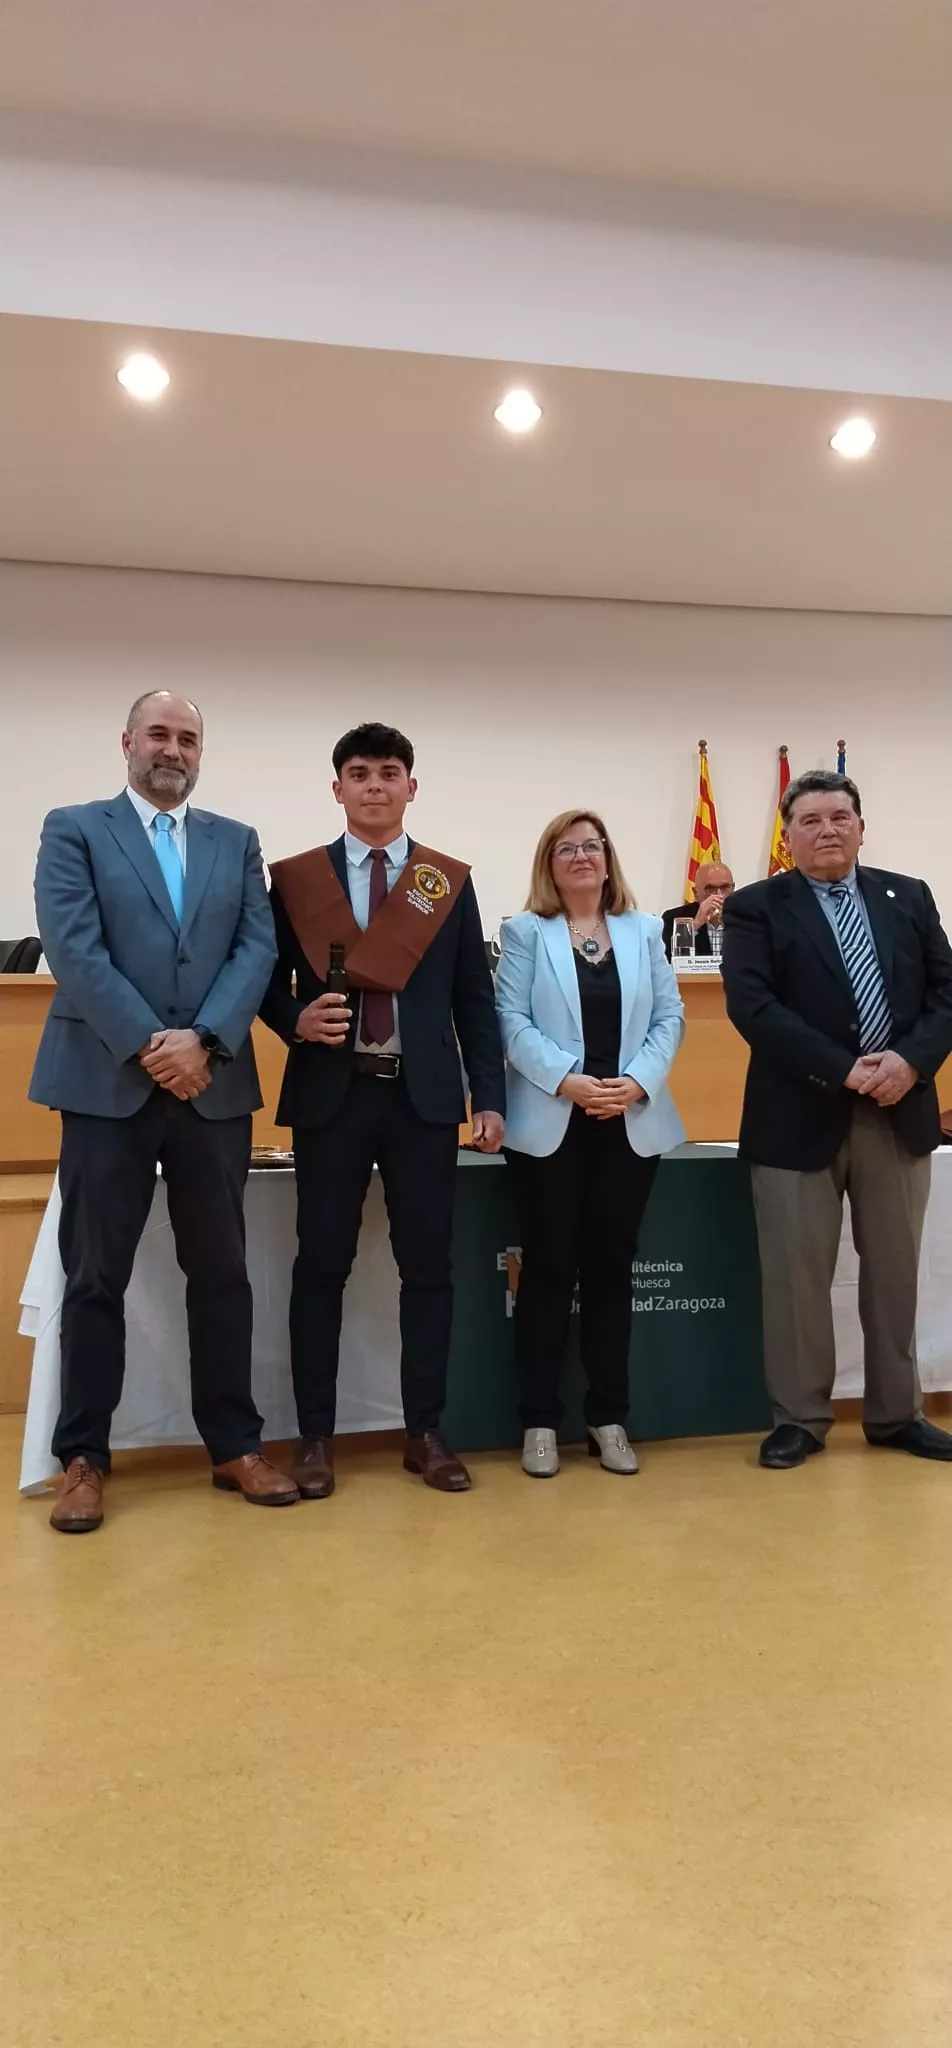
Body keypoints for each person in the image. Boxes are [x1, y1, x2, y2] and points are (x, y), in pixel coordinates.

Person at [31, 691, 298, 1532]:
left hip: (212, 1086)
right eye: (159, 733)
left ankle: (234, 1446)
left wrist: (206, 1042)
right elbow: (72, 947)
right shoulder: (74, 828)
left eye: (187, 737)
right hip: (106, 1083)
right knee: (95, 1275)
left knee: (222, 1272)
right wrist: (154, 1044)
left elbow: (257, 947)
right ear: (127, 743)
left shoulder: (236, 841)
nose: (172, 748)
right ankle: (83, 1458)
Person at [260, 722, 506, 1497]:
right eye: (359, 773)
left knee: (428, 1269)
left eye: (389, 772)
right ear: (337, 789)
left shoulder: (445, 883)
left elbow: (475, 995)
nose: (374, 784)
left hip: (424, 1098)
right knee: (320, 1267)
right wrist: (290, 1019)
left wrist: (488, 1097)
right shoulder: (298, 880)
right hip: (332, 1098)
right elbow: (258, 981)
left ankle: (425, 1431)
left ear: (411, 787)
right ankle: (314, 1439)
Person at [722, 769, 952, 1469]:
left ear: (860, 825)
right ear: (787, 835)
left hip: (898, 1113)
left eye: (840, 817)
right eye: (811, 820)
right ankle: (801, 1418)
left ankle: (895, 1414)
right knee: (796, 1277)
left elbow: (946, 993)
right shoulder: (756, 907)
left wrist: (908, 1064)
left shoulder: (907, 896)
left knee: (893, 1275)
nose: (828, 829)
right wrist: (845, 1068)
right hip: (799, 1116)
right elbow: (754, 1008)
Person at [494, 811, 685, 1478]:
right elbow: (508, 1020)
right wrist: (569, 1081)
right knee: (547, 1273)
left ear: (608, 859)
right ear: (549, 863)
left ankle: (609, 1418)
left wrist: (634, 1083)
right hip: (552, 1124)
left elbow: (669, 1016)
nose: (581, 856)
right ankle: (540, 1421)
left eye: (592, 846)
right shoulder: (524, 932)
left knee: (610, 1271)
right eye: (566, 848)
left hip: (628, 1125)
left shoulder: (643, 931)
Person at [661, 861, 735, 961]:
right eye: (710, 889)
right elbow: (669, 961)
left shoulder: (747, 917)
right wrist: (695, 925)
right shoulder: (674, 918)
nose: (719, 895)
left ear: (733, 889)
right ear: (696, 893)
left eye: (725, 887)